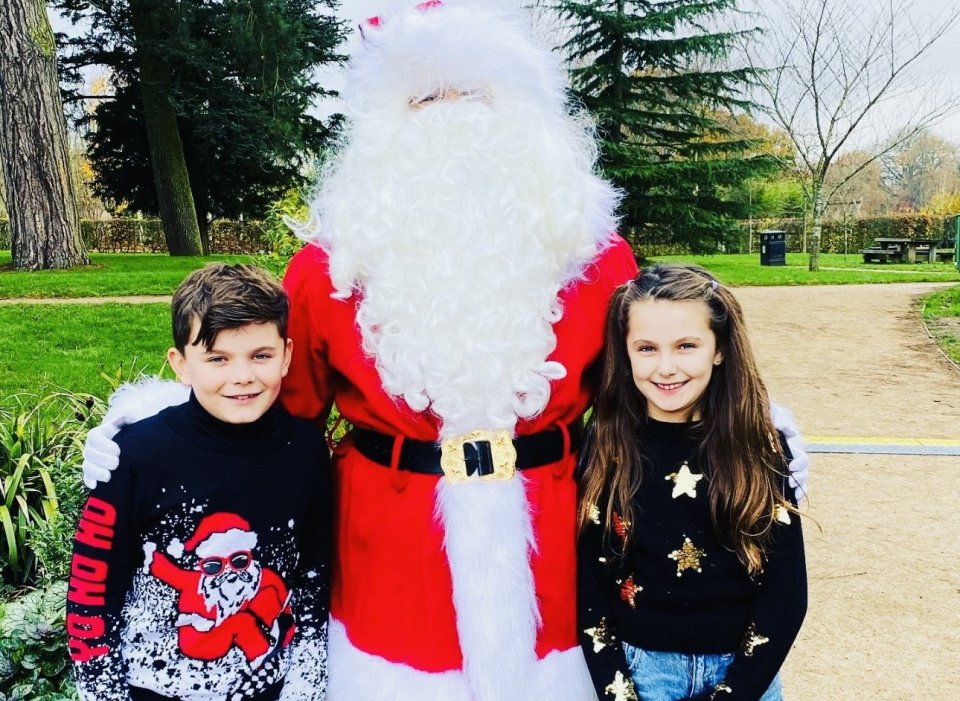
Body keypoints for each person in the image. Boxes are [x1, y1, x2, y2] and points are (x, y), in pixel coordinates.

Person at [81, 2, 808, 699]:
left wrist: (752, 427)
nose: (453, 112)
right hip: (392, 562)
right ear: (384, 124)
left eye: (474, 92)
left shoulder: (596, 259)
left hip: (554, 548)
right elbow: (275, 406)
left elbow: (652, 384)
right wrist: (149, 431)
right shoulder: (328, 270)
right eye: (426, 97)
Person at [67, 263, 330, 701]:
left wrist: (306, 687)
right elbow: (90, 595)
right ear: (181, 364)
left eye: (260, 356)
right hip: (151, 689)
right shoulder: (133, 455)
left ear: (286, 354)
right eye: (217, 359)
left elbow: (312, 580)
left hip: (269, 686)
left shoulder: (305, 451)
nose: (242, 376)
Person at [577, 263, 807, 701]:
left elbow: (786, 591)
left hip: (744, 676)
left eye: (686, 345)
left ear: (719, 348)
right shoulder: (604, 447)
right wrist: (616, 690)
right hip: (640, 672)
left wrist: (733, 693)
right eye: (646, 348)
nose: (666, 367)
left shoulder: (761, 445)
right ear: (624, 352)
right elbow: (590, 584)